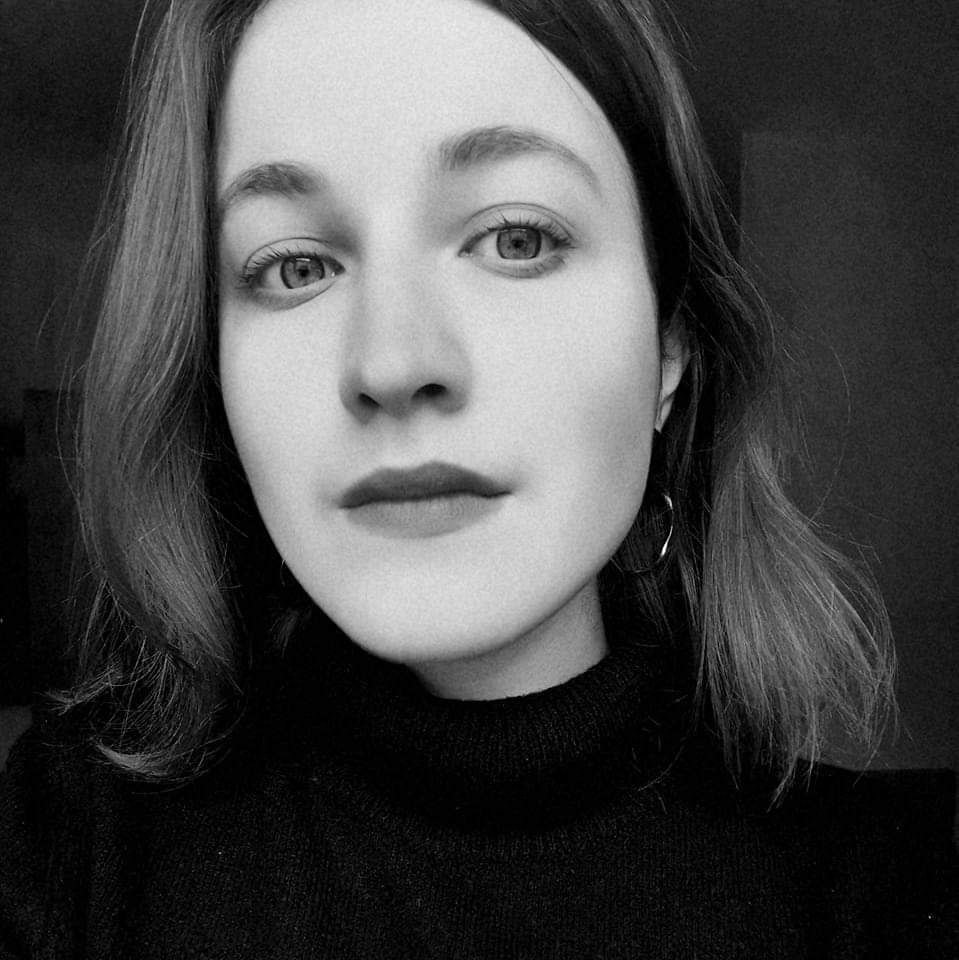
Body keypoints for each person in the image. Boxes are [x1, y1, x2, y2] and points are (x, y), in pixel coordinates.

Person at [0, 0, 955, 956]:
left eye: (515, 239)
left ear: (669, 348)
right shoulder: (72, 844)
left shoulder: (890, 889)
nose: (391, 362)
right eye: (294, 266)